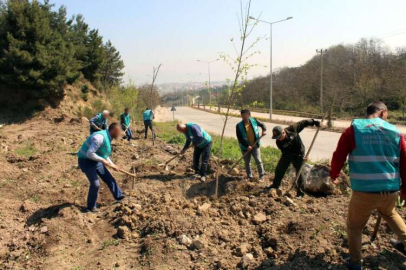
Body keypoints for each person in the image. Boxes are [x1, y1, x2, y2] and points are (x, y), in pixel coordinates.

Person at [330, 101, 406, 270]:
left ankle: (356, 264)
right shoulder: (396, 132)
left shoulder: (353, 130)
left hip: (364, 192)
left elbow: (338, 155)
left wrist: (334, 174)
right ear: (382, 113)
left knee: (355, 227)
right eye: (387, 115)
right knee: (390, 213)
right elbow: (405, 160)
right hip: (390, 190)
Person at [78, 123, 125, 212]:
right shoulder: (99, 138)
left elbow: (104, 154)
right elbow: (90, 153)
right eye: (119, 132)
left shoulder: (108, 137)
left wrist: (112, 165)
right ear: (114, 131)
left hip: (96, 160)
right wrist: (102, 161)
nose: (119, 135)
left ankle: (119, 196)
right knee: (95, 184)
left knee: (109, 178)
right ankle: (91, 207)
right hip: (86, 161)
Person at [268, 119, 320, 197]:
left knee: (299, 173)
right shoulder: (278, 142)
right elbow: (286, 153)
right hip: (287, 154)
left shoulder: (292, 129)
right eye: (277, 137)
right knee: (279, 169)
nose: (279, 138)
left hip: (299, 153)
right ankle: (275, 185)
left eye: (279, 136)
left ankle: (300, 193)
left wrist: (314, 122)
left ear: (283, 132)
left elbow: (303, 123)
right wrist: (291, 158)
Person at [236, 109, 267, 180]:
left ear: (249, 115)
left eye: (245, 116)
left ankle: (261, 176)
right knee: (247, 162)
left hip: (255, 145)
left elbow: (262, 125)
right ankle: (249, 176)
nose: (244, 118)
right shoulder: (239, 126)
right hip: (245, 147)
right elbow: (240, 138)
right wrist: (247, 146)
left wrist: (264, 130)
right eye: (242, 116)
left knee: (258, 161)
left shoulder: (254, 121)